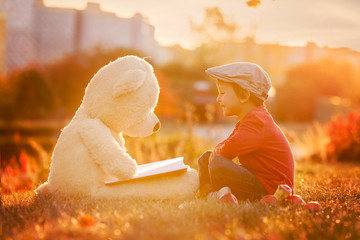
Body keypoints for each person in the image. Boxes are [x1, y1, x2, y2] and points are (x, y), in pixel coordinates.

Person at [197, 62, 295, 201]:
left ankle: (215, 194)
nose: (218, 99)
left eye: (223, 93)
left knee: (217, 162)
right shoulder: (248, 121)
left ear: (244, 95)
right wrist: (216, 153)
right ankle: (207, 193)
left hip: (270, 189)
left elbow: (231, 147)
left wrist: (218, 153)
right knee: (207, 158)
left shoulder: (258, 122)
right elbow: (227, 144)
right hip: (257, 179)